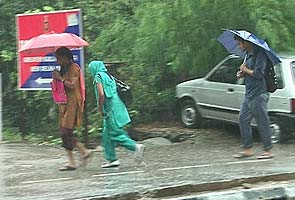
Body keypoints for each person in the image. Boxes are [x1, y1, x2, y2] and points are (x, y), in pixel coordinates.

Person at [88, 60, 145, 168]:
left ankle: (135, 147)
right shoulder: (109, 76)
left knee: (115, 134)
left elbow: (101, 94)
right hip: (118, 106)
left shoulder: (98, 77)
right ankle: (112, 159)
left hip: (110, 110)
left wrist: (99, 108)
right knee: (106, 135)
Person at [233, 34, 273, 159]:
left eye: (239, 44)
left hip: (259, 93)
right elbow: (250, 73)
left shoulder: (260, 54)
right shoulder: (247, 55)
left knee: (262, 122)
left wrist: (245, 69)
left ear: (246, 42)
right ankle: (247, 148)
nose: (238, 47)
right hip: (249, 93)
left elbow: (259, 74)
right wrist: (242, 74)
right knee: (243, 119)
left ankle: (268, 150)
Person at [52, 47, 92, 171]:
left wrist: (60, 79)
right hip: (63, 103)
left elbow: (73, 85)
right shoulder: (62, 69)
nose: (57, 61)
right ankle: (77, 157)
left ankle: (81, 153)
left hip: (73, 103)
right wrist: (55, 80)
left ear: (65, 57)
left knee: (66, 132)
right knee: (64, 132)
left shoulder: (74, 68)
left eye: (58, 58)